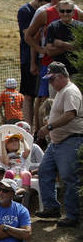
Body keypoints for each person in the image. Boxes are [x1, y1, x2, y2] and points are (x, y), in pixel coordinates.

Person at [36, 61, 83, 227]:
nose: (50, 83)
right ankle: (51, 208)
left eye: (52, 79)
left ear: (62, 76)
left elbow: (70, 114)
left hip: (70, 140)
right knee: (44, 171)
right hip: (57, 143)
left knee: (69, 178)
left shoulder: (70, 91)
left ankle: (72, 215)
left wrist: (49, 127)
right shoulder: (62, 91)